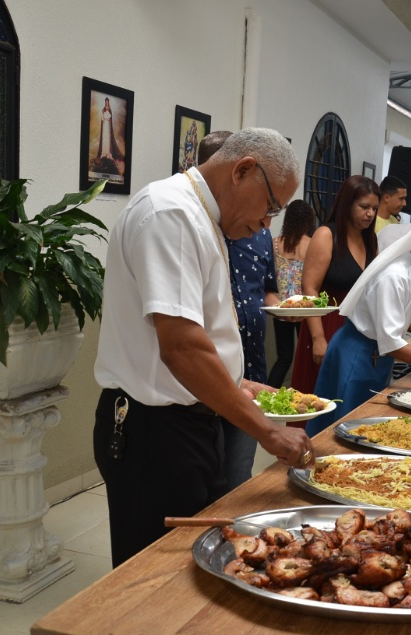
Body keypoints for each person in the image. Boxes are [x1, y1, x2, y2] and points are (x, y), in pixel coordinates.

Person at [93, 127, 314, 567]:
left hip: (187, 426)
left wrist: (242, 384)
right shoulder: (170, 213)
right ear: (243, 170)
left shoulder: (198, 214)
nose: (267, 223)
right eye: (271, 207)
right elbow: (182, 349)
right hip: (154, 434)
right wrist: (267, 431)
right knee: (157, 577)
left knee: (198, 565)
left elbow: (200, 333)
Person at [308, 217, 411, 436]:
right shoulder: (396, 275)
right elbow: (391, 344)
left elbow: (389, 314)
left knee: (365, 425)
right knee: (345, 428)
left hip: (374, 354)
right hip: (357, 354)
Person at [195, 130, 280, 492]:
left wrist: (292, 312)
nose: (264, 221)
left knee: (238, 479)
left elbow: (270, 290)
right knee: (206, 481)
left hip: (250, 366)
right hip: (202, 379)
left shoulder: (259, 231)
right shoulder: (195, 225)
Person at [290, 176, 378, 394]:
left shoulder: (370, 239)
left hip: (356, 326)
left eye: (375, 208)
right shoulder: (326, 235)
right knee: (320, 394)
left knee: (348, 393)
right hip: (326, 323)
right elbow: (309, 288)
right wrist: (318, 338)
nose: (370, 214)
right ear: (347, 205)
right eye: (364, 207)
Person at [267, 200, 317, 388]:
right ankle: (304, 390)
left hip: (281, 307)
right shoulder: (311, 244)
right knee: (305, 354)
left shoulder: (275, 244)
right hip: (305, 308)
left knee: (284, 357)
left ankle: (268, 392)